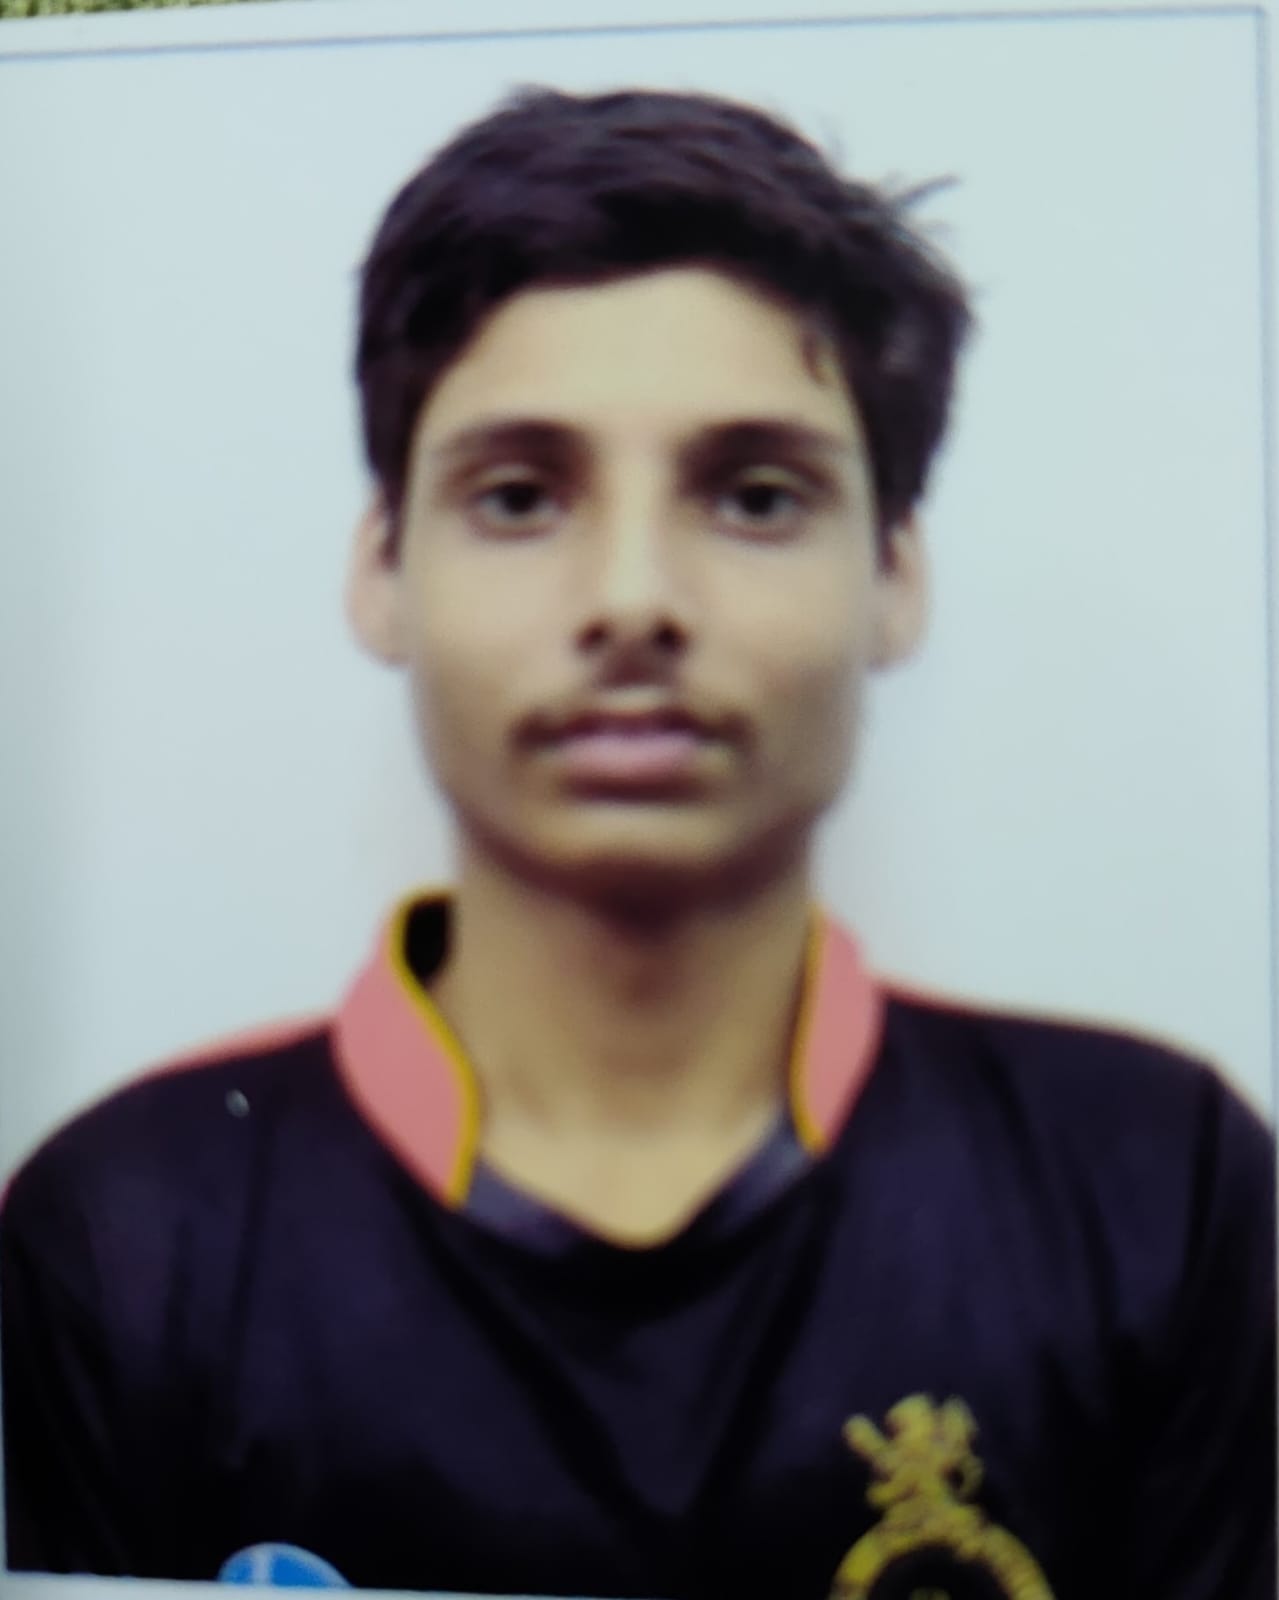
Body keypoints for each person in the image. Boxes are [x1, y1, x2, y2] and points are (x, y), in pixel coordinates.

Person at [2, 85, 1274, 1600]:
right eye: (520, 496)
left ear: (895, 574)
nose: (631, 601)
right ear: (383, 567)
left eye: (755, 496)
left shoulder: (1161, 1191)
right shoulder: (125, 1234)